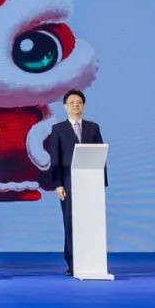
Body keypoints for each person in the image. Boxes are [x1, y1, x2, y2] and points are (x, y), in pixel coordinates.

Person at [45, 88, 106, 276]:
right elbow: (55, 158)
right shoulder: (58, 129)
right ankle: (72, 262)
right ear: (65, 107)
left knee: (91, 222)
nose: (75, 105)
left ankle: (92, 259)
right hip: (68, 184)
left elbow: (101, 155)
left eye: (79, 102)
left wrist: (102, 182)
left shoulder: (93, 128)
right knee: (71, 223)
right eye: (71, 103)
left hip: (91, 184)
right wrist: (58, 184)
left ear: (84, 105)